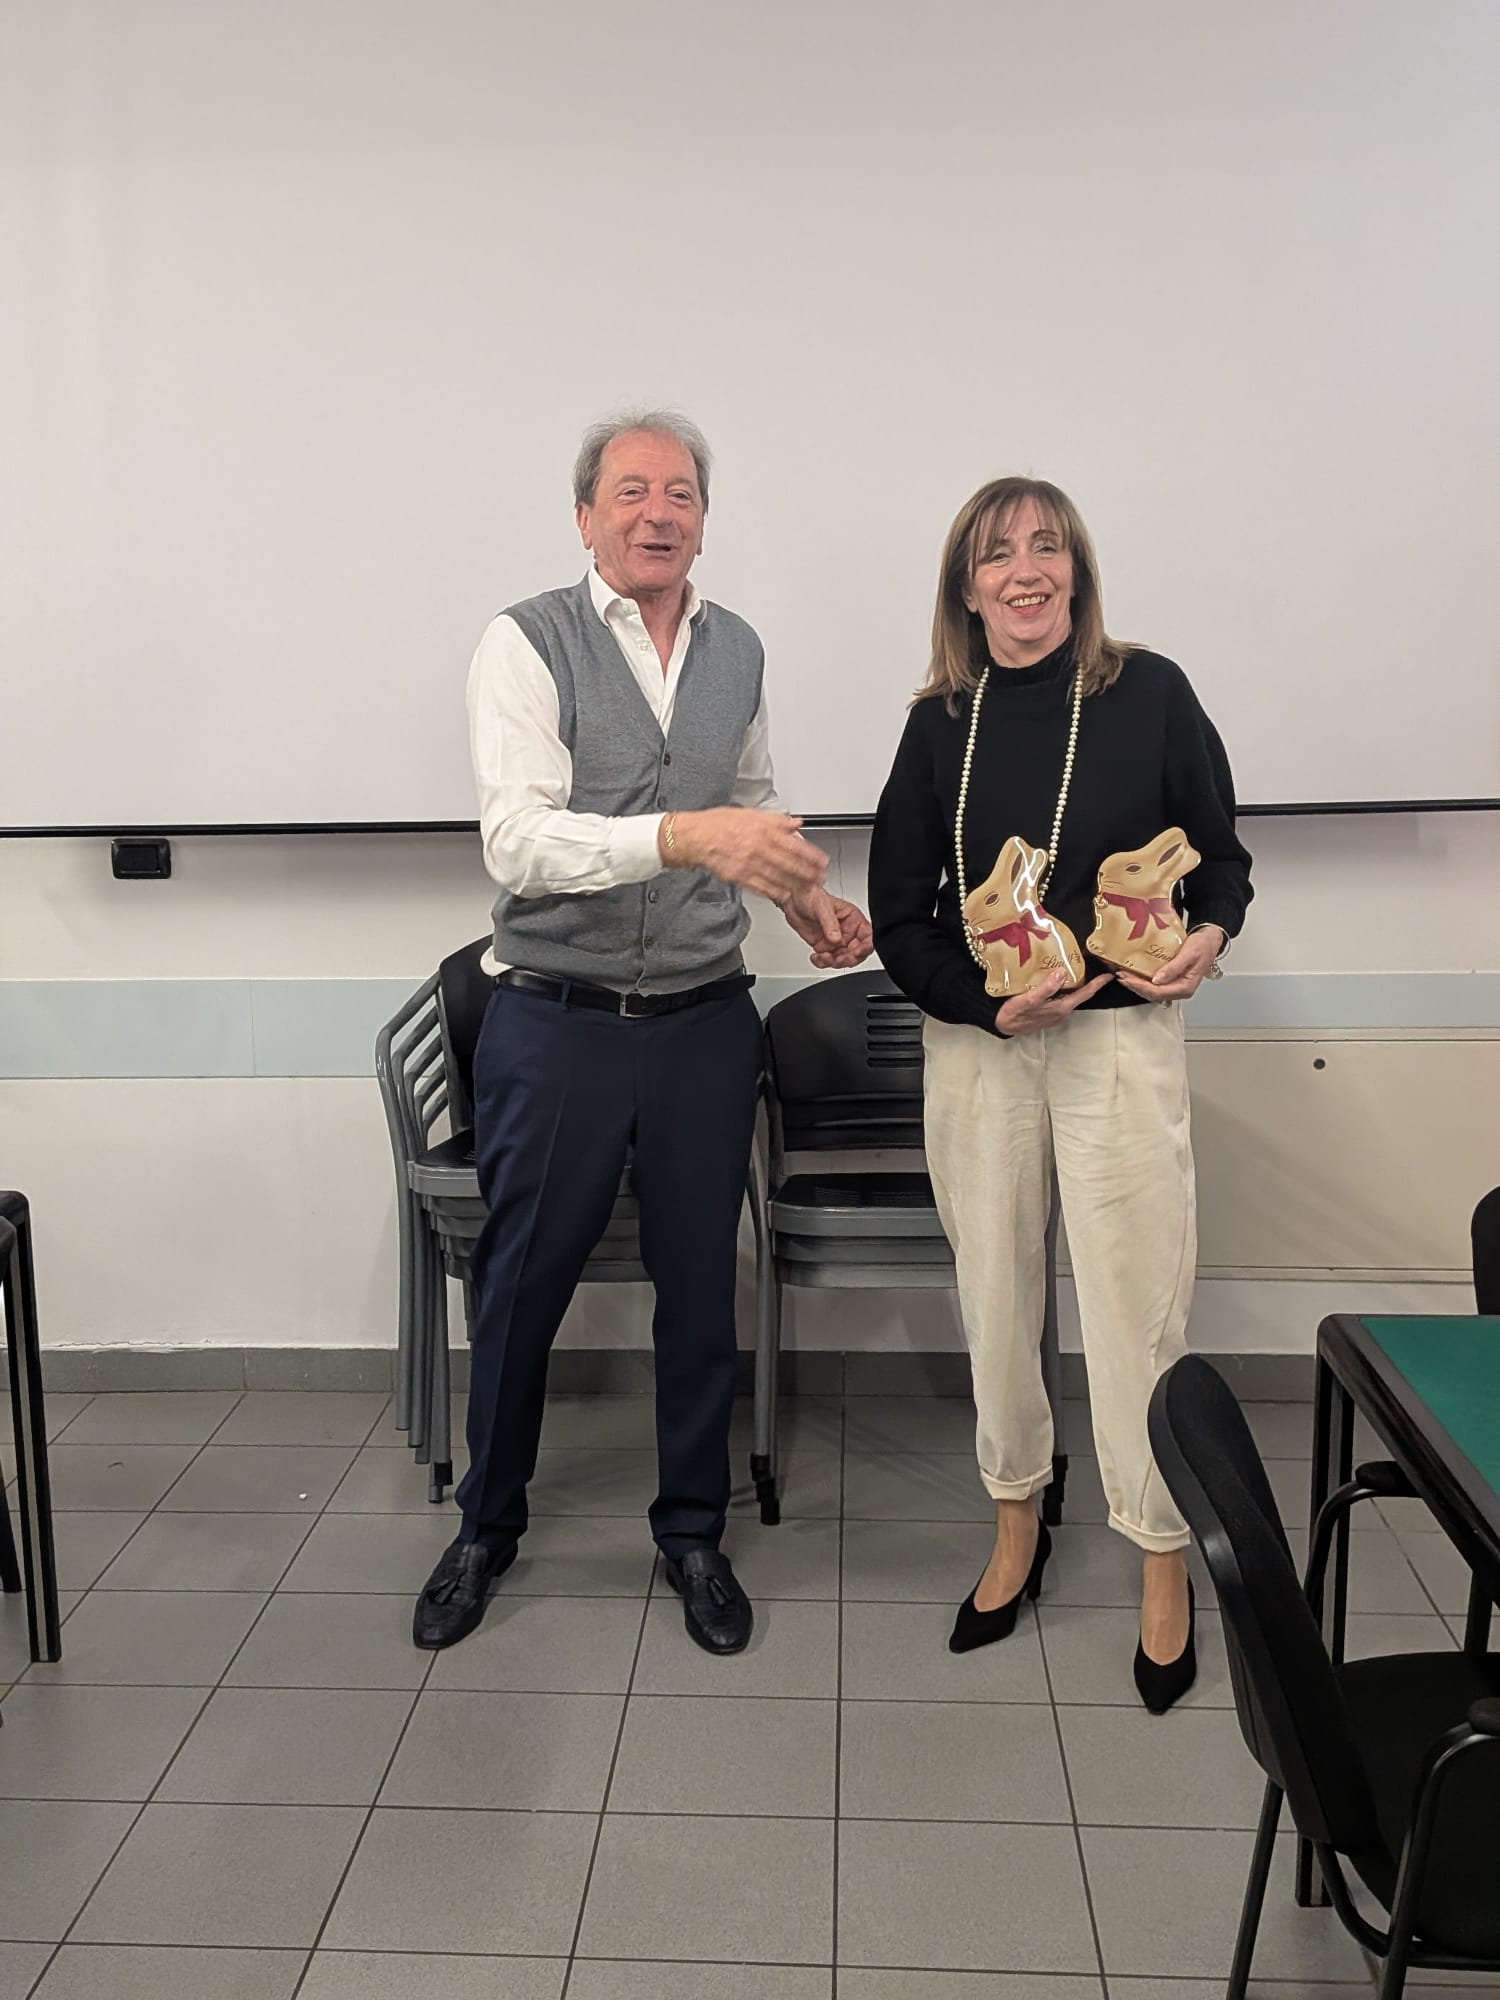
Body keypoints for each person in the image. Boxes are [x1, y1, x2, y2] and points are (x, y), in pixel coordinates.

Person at [413, 409, 873, 1658]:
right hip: (554, 1018)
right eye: (630, 491)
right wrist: (681, 835)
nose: (657, 512)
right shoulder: (525, 641)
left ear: (703, 521)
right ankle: (486, 1526)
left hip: (703, 1019)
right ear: (586, 516)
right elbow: (519, 840)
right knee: (522, 1283)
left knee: (699, 1287)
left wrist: (809, 899)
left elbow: (752, 802)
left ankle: (692, 1533)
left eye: (679, 493)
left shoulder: (739, 646)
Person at [868, 476, 1252, 1712]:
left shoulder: (1150, 692)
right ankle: (1016, 1520)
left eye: (1046, 547)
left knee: (1138, 1302)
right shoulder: (940, 724)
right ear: (966, 586)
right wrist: (983, 1004)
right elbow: (900, 915)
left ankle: (1160, 1553)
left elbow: (1221, 860)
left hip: (1120, 1042)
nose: (1024, 571)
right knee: (995, 1293)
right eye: (997, 554)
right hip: (984, 1045)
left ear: (1077, 571)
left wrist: (1209, 935)